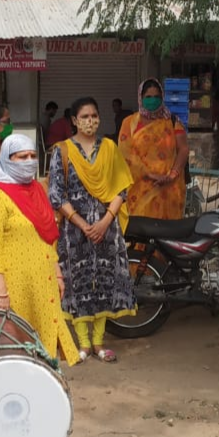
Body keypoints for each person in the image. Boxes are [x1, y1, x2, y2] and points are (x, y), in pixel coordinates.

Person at [49, 97, 136, 362]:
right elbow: (56, 194)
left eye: (94, 116)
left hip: (107, 228)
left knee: (104, 283)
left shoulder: (109, 147)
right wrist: (83, 224)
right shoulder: (62, 150)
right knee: (77, 283)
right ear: (74, 120)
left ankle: (99, 343)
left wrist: (106, 220)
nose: (90, 121)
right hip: (75, 231)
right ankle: (83, 344)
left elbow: (122, 187)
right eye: (84, 116)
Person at [0, 134, 79, 366]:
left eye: (33, 156)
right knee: (14, 350)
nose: (29, 161)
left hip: (42, 283)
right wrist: (0, 292)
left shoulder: (36, 190)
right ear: (7, 159)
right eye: (21, 156)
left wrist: (56, 273)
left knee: (43, 354)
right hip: (13, 288)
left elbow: (48, 236)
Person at [118, 79, 189, 220]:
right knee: (139, 235)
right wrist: (150, 175)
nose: (153, 100)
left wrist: (172, 175)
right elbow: (125, 154)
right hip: (139, 190)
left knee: (167, 236)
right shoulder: (130, 123)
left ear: (162, 98)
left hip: (169, 189)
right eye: (148, 97)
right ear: (140, 98)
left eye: (157, 97)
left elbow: (184, 149)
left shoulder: (172, 121)